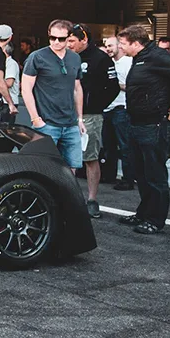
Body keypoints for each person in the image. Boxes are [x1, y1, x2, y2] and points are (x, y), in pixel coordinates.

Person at [116, 25, 170, 234]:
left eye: (123, 44)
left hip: (153, 124)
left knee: (154, 174)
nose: (121, 48)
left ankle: (156, 219)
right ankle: (144, 213)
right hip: (136, 122)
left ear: (136, 42)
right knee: (140, 173)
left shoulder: (157, 56)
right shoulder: (140, 57)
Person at [67, 23, 119, 218]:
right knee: (66, 160)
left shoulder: (101, 59)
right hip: (65, 116)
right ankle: (69, 198)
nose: (68, 44)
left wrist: (96, 105)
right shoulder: (64, 56)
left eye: (72, 41)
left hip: (90, 116)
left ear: (84, 39)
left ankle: (92, 199)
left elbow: (113, 87)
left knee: (90, 157)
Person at [22, 19, 85, 176]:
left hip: (70, 123)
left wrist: (80, 118)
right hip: (47, 123)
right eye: (53, 38)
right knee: (43, 168)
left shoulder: (75, 58)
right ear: (49, 35)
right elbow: (26, 88)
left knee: (72, 168)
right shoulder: (37, 57)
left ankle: (65, 200)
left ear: (69, 37)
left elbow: (77, 89)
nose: (56, 42)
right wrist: (35, 119)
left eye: (61, 39)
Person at [103, 36, 134, 190]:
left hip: (121, 108)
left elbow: (133, 86)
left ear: (119, 46)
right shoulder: (109, 63)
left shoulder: (128, 63)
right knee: (109, 145)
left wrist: (116, 85)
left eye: (110, 45)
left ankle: (128, 179)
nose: (108, 48)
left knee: (124, 145)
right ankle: (109, 175)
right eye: (106, 46)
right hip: (107, 109)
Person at [2, 42, 21, 124]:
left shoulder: (11, 64)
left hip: (9, 102)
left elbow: (9, 83)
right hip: (3, 101)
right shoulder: (4, 63)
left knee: (6, 129)